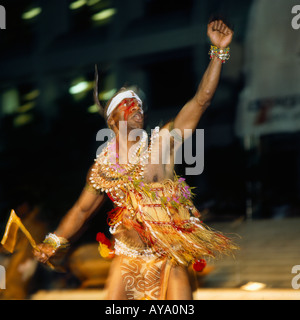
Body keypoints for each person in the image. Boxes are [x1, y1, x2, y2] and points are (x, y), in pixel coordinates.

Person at [33, 20, 238, 300]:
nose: (138, 110)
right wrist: (53, 242)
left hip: (169, 255)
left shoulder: (162, 143)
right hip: (128, 259)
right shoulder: (103, 167)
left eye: (140, 107)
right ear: (113, 120)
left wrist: (218, 53)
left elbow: (201, 100)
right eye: (130, 107)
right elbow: (81, 211)